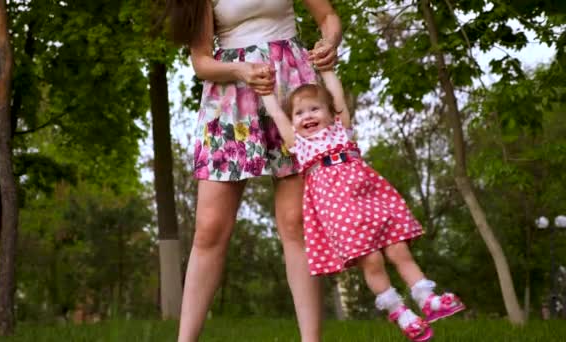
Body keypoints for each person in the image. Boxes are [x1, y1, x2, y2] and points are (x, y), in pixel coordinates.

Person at [167, 1, 342, 341]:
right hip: (232, 94)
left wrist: (329, 43)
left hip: (293, 88)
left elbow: (328, 16)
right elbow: (201, 62)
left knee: (295, 222)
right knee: (210, 228)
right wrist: (242, 71)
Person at [262, 68, 466, 342]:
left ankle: (428, 298)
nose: (307, 116)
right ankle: (401, 314)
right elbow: (277, 116)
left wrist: (327, 71)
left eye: (314, 109)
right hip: (340, 212)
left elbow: (339, 99)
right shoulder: (299, 144)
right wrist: (265, 93)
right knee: (372, 260)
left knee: (399, 248)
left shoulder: (340, 131)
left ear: (330, 113)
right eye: (299, 113)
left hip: (371, 199)